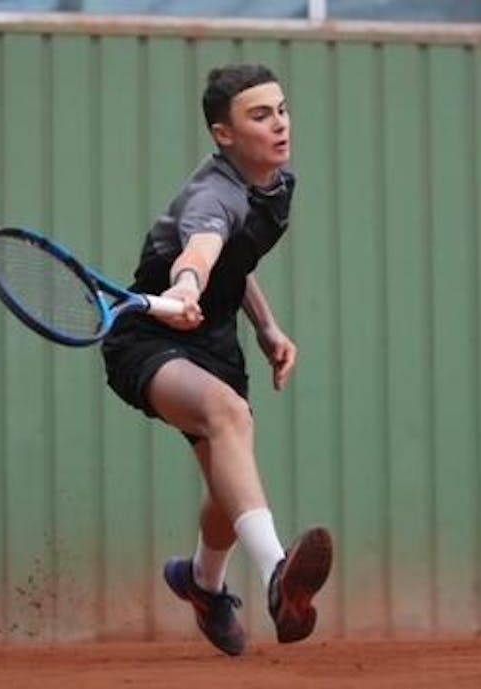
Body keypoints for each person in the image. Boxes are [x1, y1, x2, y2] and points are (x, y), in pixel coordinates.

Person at [101, 64, 332, 656]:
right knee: (228, 415)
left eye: (281, 109)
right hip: (149, 340)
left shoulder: (278, 182)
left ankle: (202, 584)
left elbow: (238, 256)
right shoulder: (213, 194)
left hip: (217, 340)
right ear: (223, 134)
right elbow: (203, 249)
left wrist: (267, 325)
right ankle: (278, 577)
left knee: (230, 493)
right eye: (260, 116)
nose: (279, 124)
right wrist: (184, 287)